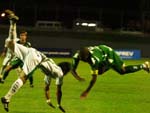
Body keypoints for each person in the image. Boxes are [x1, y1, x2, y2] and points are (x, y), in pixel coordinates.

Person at [1, 9, 71, 112]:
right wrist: (59, 104)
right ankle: (7, 97)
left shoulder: (50, 73)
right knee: (23, 78)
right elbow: (58, 91)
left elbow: (46, 87)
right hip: (37, 58)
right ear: (65, 71)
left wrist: (48, 100)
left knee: (10, 44)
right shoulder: (60, 74)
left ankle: (12, 23)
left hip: (32, 52)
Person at [71, 44, 150, 99]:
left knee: (122, 71)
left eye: (84, 59)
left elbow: (94, 79)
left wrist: (87, 91)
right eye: (81, 59)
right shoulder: (77, 55)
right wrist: (78, 77)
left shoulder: (94, 60)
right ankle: (110, 65)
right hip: (101, 54)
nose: (83, 61)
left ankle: (144, 66)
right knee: (100, 72)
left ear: (87, 57)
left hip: (108, 53)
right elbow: (72, 69)